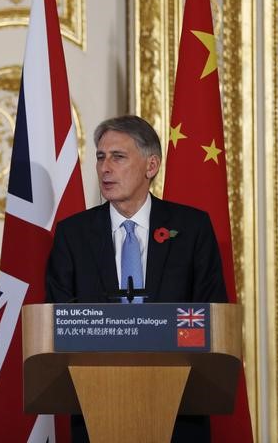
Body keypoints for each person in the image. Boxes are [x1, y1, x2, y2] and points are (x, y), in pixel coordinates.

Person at [45, 115, 228, 442]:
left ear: (151, 165)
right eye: (100, 157)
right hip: (96, 407)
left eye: (118, 157)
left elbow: (212, 314)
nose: (105, 168)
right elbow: (60, 319)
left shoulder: (191, 229)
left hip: (179, 412)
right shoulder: (73, 234)